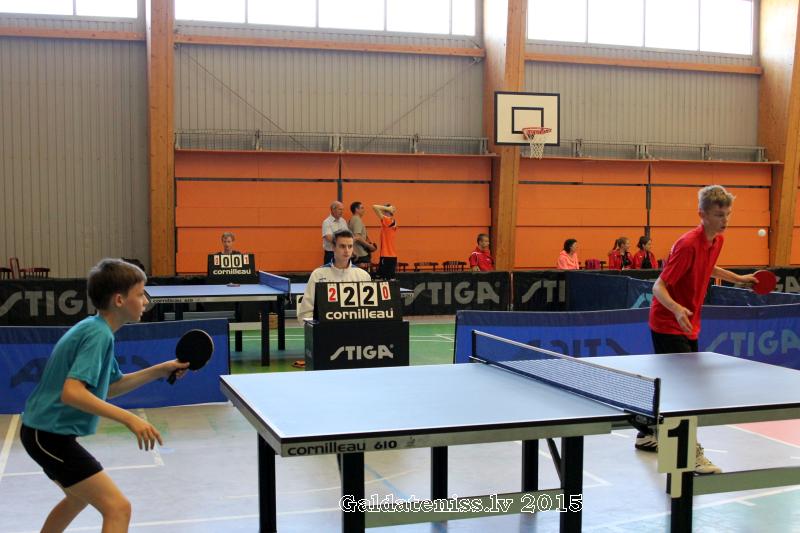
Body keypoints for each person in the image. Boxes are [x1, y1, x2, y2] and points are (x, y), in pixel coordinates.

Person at [19, 258, 189, 532]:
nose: (145, 301)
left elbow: (110, 387)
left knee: (77, 499)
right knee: (118, 508)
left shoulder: (96, 329)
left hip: (42, 433)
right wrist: (130, 419)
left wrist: (161, 369)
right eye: (140, 294)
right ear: (119, 300)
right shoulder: (98, 335)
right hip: (47, 435)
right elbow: (72, 393)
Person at [637, 185, 758, 475]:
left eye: (727, 214)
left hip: (688, 322)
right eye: (718, 214)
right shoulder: (688, 244)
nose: (724, 220)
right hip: (669, 322)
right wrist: (677, 309)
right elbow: (659, 286)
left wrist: (739, 278)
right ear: (702, 214)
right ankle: (688, 453)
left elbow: (710, 267)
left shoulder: (717, 240)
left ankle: (646, 433)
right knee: (686, 389)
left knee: (676, 383)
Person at [297, 230, 371, 321]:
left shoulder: (363, 276)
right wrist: (317, 327)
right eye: (342, 246)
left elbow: (369, 312)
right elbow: (305, 312)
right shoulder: (318, 275)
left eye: (350, 246)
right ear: (333, 247)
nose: (347, 250)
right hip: (325, 329)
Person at [373, 204, 398, 280]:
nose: (382, 213)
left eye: (384, 211)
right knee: (389, 279)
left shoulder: (388, 221)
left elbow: (374, 207)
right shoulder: (392, 221)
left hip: (387, 256)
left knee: (382, 280)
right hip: (391, 256)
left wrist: (388, 208)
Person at [348, 201, 377, 267]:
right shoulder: (357, 220)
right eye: (362, 208)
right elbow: (357, 236)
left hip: (357, 253)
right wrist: (369, 246)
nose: (364, 210)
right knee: (364, 273)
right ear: (356, 209)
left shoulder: (352, 219)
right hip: (361, 254)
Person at [321, 201, 348, 265]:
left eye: (342, 210)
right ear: (333, 210)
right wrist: (343, 243)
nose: (342, 212)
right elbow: (329, 237)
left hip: (343, 253)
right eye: (340, 209)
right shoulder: (327, 222)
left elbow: (347, 235)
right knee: (329, 271)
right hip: (331, 253)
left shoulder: (343, 221)